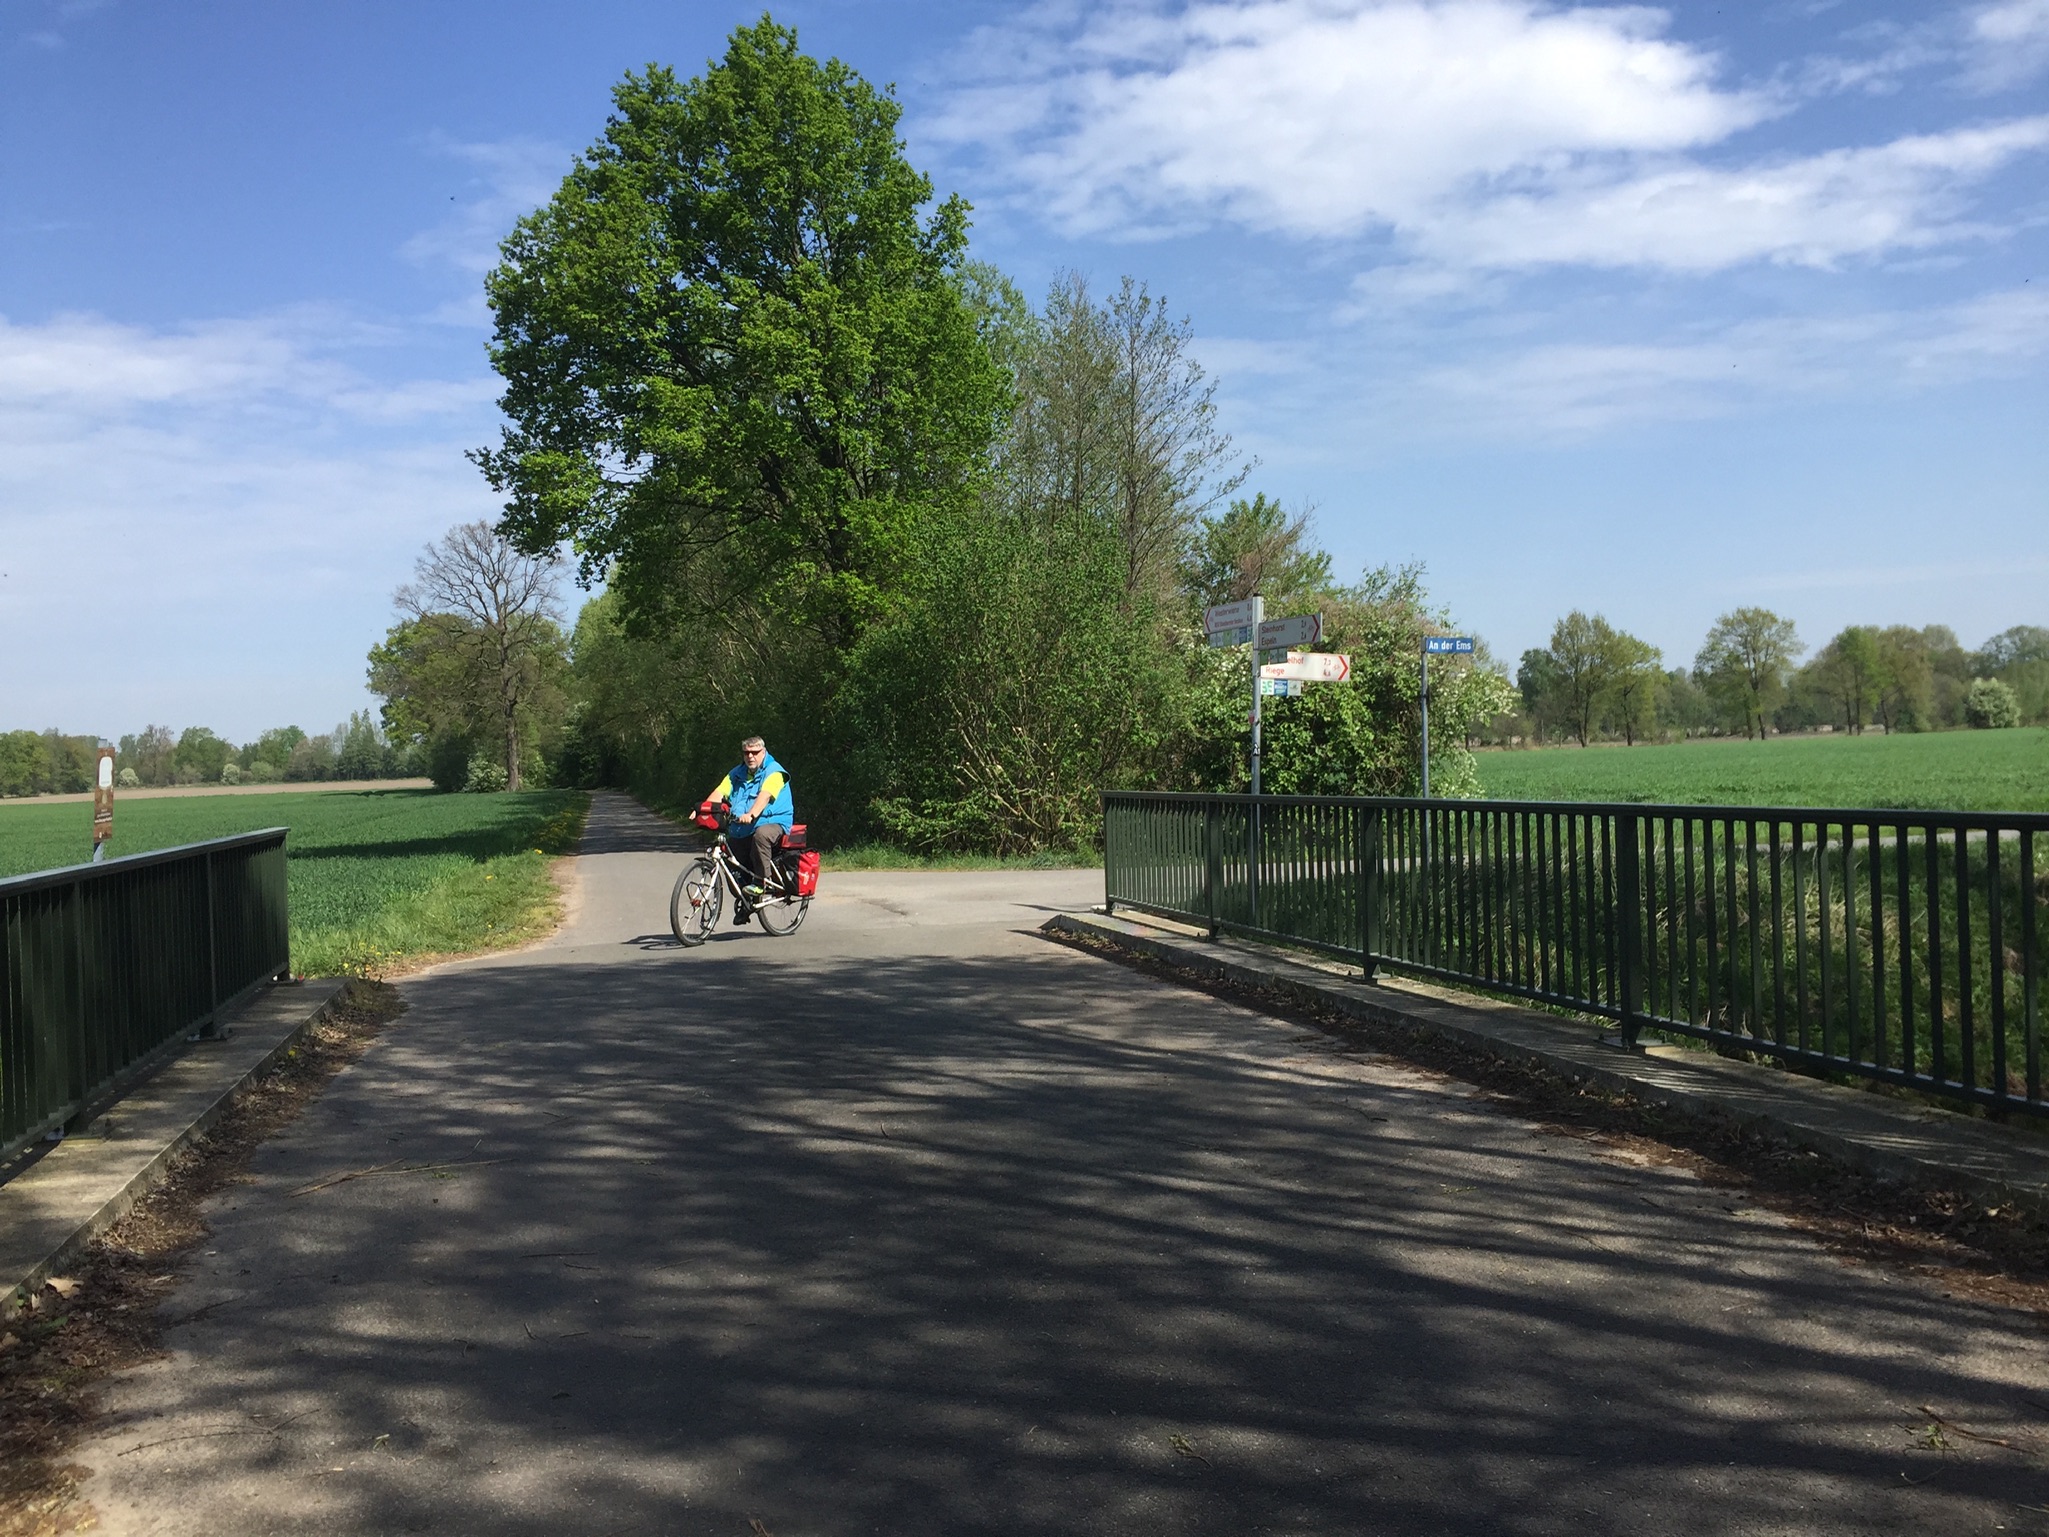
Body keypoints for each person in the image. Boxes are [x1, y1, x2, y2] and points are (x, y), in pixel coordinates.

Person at [702, 736, 793, 925]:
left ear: (763, 752)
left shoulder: (774, 771)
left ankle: (761, 882)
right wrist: (703, 810)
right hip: (742, 826)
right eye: (746, 753)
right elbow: (719, 793)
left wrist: (751, 814)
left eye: (754, 752)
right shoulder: (737, 773)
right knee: (730, 853)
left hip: (772, 821)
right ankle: (746, 900)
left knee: (761, 835)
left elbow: (764, 796)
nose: (750, 756)